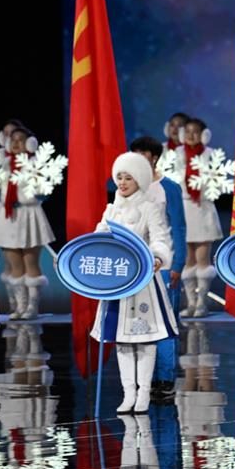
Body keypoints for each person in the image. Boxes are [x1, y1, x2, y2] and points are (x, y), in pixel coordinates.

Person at [91, 152, 177, 413]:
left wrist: (158, 256)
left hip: (143, 282)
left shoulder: (150, 207)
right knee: (122, 339)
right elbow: (99, 237)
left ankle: (143, 393)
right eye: (119, 177)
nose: (123, 182)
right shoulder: (111, 209)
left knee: (144, 338)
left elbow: (160, 238)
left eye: (128, 177)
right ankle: (128, 393)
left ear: (139, 179)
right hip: (117, 283)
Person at [130, 136, 186, 402]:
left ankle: (165, 379)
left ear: (154, 157)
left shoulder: (168, 188)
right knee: (140, 322)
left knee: (165, 322)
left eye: (143, 154)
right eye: (135, 154)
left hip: (164, 265)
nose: (138, 159)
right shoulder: (128, 186)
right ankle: (144, 379)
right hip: (136, 266)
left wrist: (178, 263)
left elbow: (180, 227)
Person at [0, 124, 55, 319]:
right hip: (8, 216)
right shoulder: (3, 163)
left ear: (30, 143)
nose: (17, 143)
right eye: (14, 140)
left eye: (21, 140)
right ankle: (20, 306)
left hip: (29, 215)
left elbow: (44, 191)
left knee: (30, 262)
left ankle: (32, 307)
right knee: (14, 264)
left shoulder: (35, 163)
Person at [176, 118, 222, 317]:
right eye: (187, 131)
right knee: (188, 260)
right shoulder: (177, 154)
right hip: (184, 208)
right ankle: (191, 303)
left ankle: (202, 303)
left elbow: (217, 184)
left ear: (204, 134)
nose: (191, 135)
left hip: (203, 208)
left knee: (202, 259)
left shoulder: (211, 154)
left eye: (195, 131)